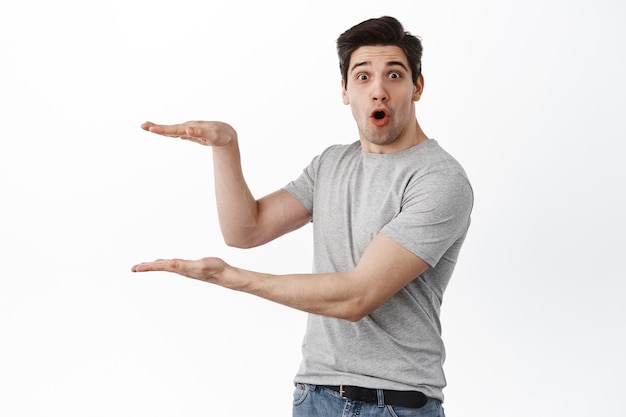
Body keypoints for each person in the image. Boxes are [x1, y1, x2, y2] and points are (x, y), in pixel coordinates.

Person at [132, 16, 473, 417]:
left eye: (393, 75)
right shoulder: (331, 164)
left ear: (417, 86)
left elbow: (356, 296)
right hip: (315, 395)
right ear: (345, 91)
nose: (378, 91)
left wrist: (230, 278)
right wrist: (226, 148)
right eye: (362, 77)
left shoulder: (439, 179)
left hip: (394, 404)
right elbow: (246, 229)